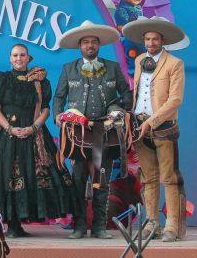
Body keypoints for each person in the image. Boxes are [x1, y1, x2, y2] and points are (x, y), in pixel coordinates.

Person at [0, 44, 74, 238]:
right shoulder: (1, 79)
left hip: (33, 132)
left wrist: (34, 127)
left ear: (28, 58)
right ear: (10, 58)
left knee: (33, 174)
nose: (18, 58)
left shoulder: (41, 81)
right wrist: (9, 128)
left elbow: (46, 109)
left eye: (22, 55)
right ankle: (10, 224)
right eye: (15, 55)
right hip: (6, 132)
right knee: (7, 174)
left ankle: (19, 224)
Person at [53, 20, 132, 239]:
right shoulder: (69, 69)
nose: (90, 46)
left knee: (101, 180)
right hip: (77, 132)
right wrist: (58, 115)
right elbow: (59, 97)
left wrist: (116, 109)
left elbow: (127, 95)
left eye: (93, 42)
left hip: (103, 131)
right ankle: (79, 226)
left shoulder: (113, 67)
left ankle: (99, 227)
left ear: (99, 45)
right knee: (78, 179)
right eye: (86, 42)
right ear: (80, 46)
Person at [122, 16, 187, 242]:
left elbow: (175, 100)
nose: (151, 43)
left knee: (169, 178)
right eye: (148, 39)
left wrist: (152, 120)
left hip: (163, 128)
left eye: (155, 39)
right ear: (143, 40)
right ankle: (151, 222)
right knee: (148, 178)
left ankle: (172, 226)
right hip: (140, 128)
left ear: (163, 41)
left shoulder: (175, 64)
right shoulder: (140, 60)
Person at [114, 0, 146, 76]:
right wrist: (131, 33)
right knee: (132, 53)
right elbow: (121, 27)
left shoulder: (139, 8)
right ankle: (132, 72)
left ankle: (143, 69)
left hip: (138, 37)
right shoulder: (122, 9)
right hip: (128, 38)